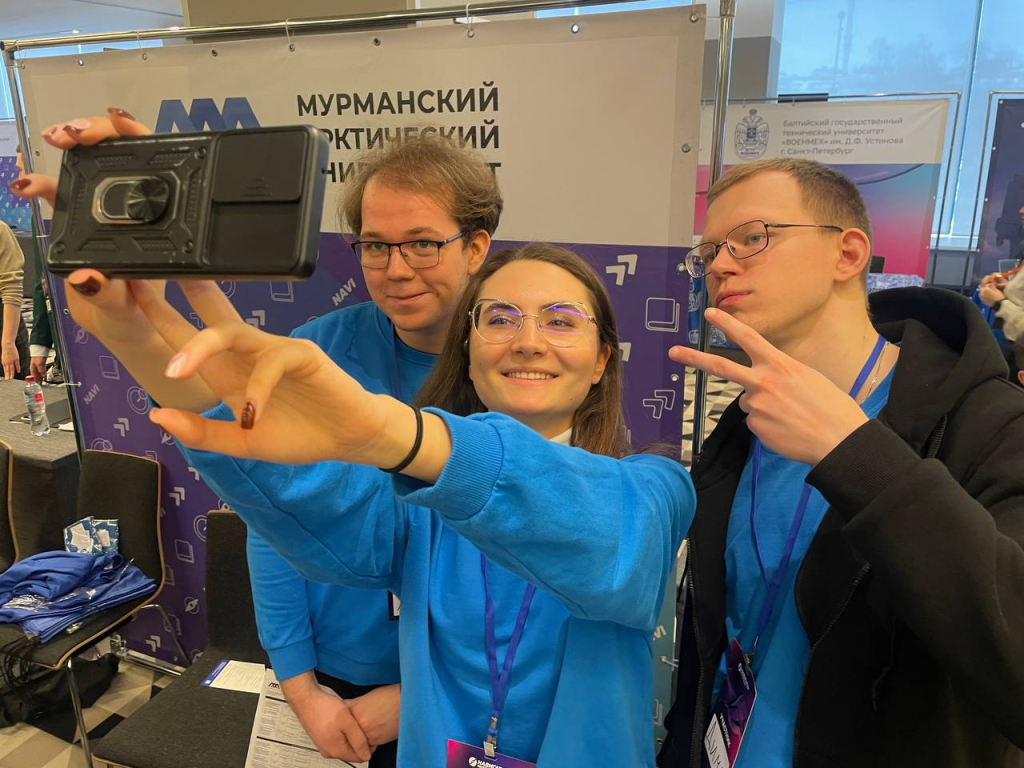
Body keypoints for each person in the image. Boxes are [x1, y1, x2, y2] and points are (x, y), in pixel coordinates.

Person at [69, 242, 695, 766]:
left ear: (602, 360)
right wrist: (136, 337)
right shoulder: (421, 507)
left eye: (561, 320)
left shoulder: (655, 491)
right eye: (501, 318)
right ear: (468, 351)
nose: (528, 341)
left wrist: (394, 436)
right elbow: (316, 498)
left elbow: (602, 534)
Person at [9, 109, 501, 766]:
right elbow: (272, 521)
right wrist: (299, 683)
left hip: (462, 687)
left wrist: (424, 692)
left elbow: (530, 581)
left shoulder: (518, 377)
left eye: (422, 244)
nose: (397, 268)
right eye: (375, 246)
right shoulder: (318, 350)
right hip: (331, 675)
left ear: (476, 246)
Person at [659, 158, 1024, 767]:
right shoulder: (742, 430)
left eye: (752, 238)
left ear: (848, 254)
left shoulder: (990, 426)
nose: (720, 265)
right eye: (709, 251)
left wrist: (855, 454)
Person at [12, 146, 61, 383]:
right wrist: (40, 345)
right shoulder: (39, 217)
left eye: (23, 170)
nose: (19, 178)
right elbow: (43, 283)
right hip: (66, 347)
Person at [0, 220, 28, 380]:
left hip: (4, 328)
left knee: (12, 392)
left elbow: (11, 289)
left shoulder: (1, 230)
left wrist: (8, 343)